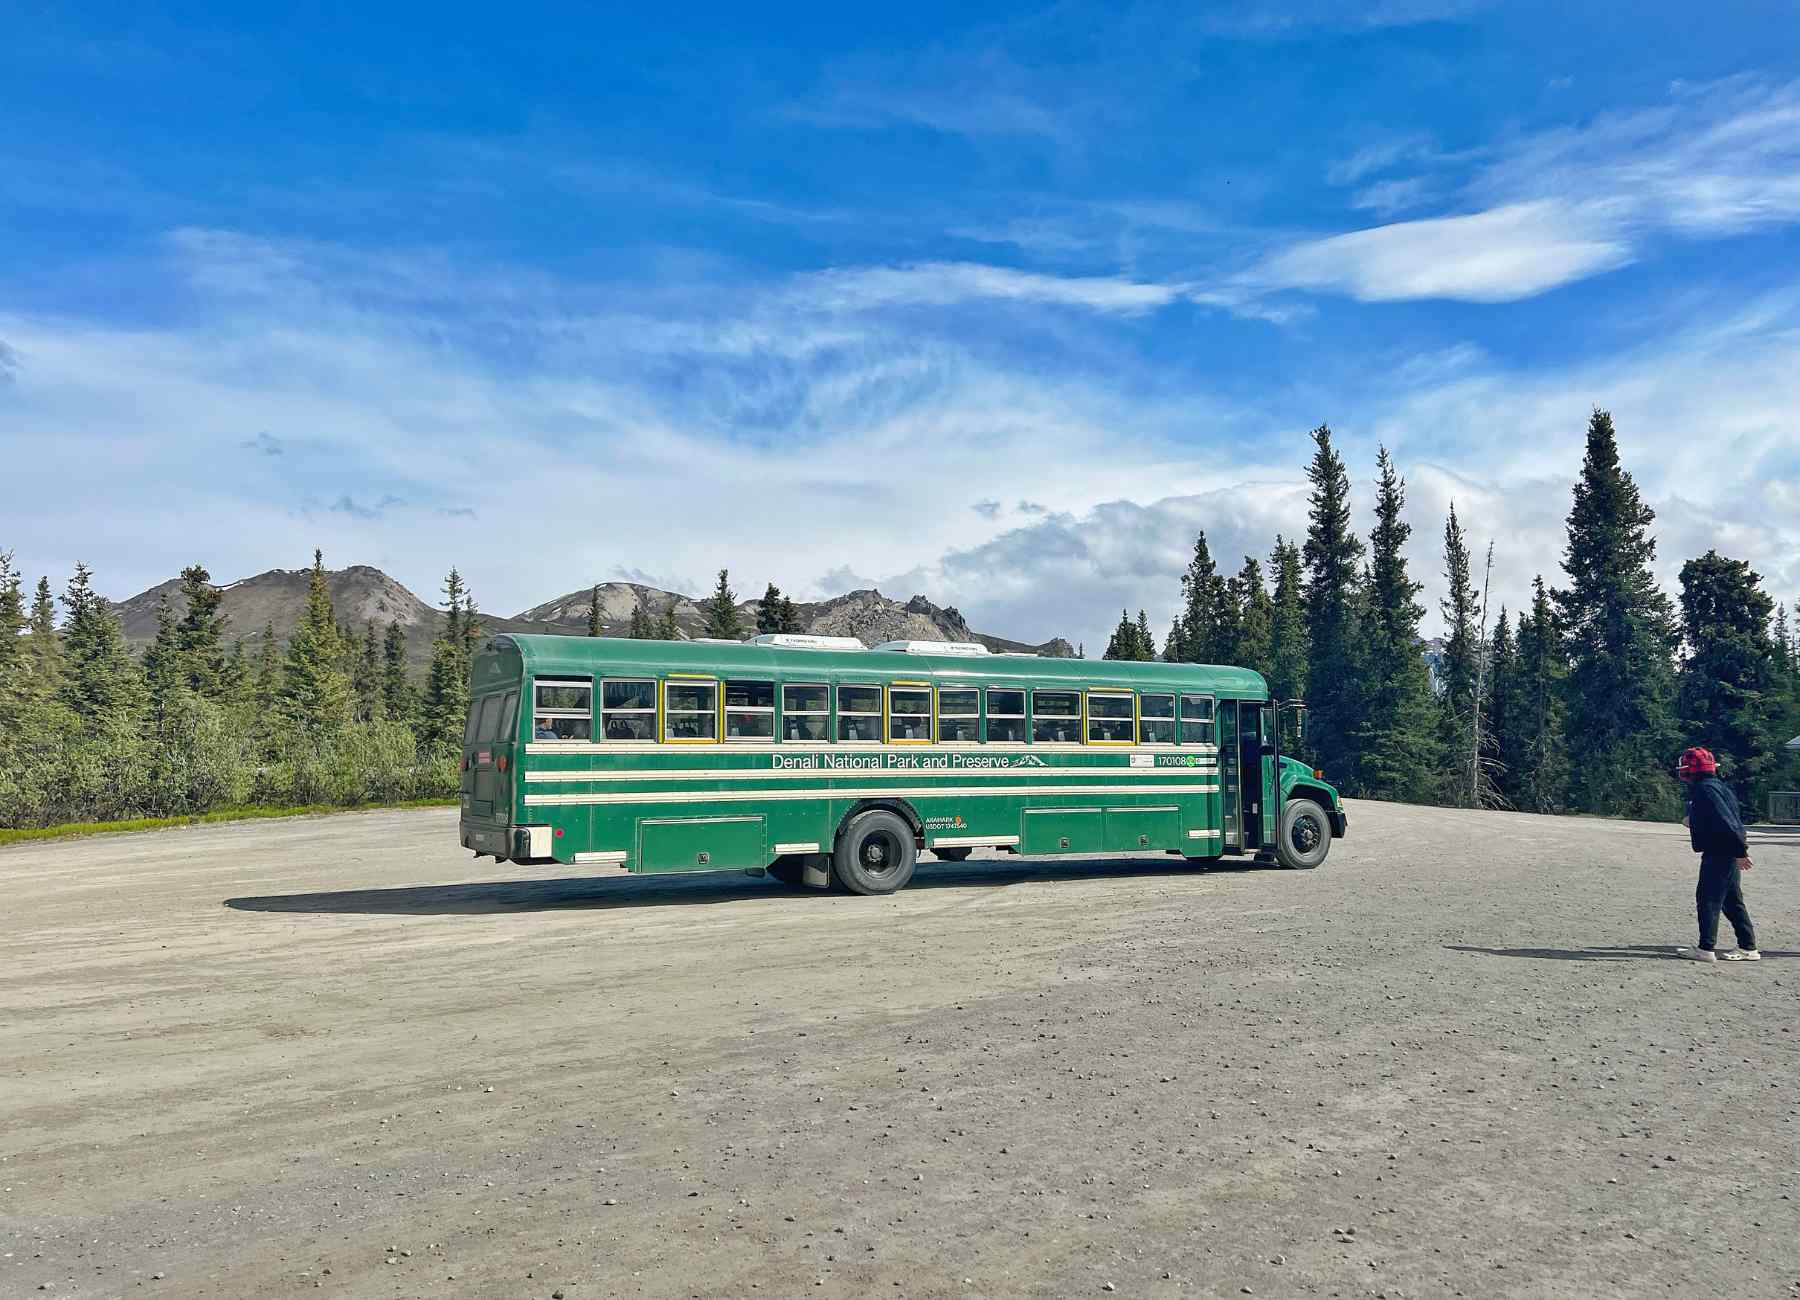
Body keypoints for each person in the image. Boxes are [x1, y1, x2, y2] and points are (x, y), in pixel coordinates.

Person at [1676, 746, 1759, 962]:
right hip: (1727, 850)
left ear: (1690, 771)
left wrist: (1741, 851)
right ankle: (1748, 947)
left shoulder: (1705, 790)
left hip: (1720, 852)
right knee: (1731, 901)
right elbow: (1726, 820)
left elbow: (1727, 822)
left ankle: (1706, 949)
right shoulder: (1718, 787)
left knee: (1708, 899)